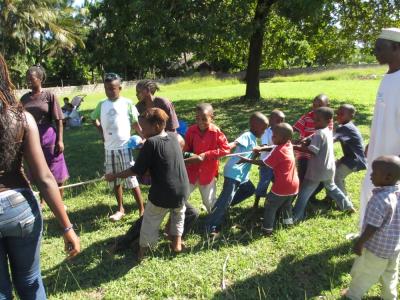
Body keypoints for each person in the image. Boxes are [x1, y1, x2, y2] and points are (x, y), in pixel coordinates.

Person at [0, 53, 80, 299]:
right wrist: (67, 227)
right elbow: (44, 177)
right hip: (19, 208)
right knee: (30, 280)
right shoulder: (21, 117)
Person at [105, 108, 189, 260]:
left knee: (150, 222)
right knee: (178, 215)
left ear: (156, 126)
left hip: (162, 193)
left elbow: (136, 170)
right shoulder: (174, 136)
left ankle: (143, 253)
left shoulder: (151, 143)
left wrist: (114, 175)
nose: (140, 130)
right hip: (182, 190)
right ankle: (176, 245)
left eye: (143, 127)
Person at [343, 155, 400, 300]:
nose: (370, 175)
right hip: (394, 247)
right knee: (390, 274)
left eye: (374, 172)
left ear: (387, 177)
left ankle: (352, 295)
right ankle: (389, 296)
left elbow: (372, 227)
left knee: (366, 274)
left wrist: (360, 242)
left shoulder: (379, 199)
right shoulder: (397, 192)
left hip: (377, 249)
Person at [360, 28, 400, 229]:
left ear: (395, 47)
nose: (374, 52)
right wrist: (372, 142)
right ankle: (365, 234)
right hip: (378, 150)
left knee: (388, 201)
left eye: (379, 48)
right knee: (369, 190)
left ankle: (377, 243)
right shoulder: (388, 77)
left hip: (393, 160)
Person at [91, 72, 144, 221]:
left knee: (131, 178)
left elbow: (135, 123)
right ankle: (120, 208)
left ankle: (142, 209)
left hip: (124, 147)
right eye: (107, 88)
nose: (110, 91)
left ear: (119, 88)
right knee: (114, 179)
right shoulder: (102, 104)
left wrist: (143, 137)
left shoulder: (127, 103)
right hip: (109, 148)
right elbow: (93, 119)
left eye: (113, 88)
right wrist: (102, 134)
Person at [206, 112, 269, 237]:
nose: (264, 131)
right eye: (263, 128)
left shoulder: (253, 139)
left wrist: (259, 149)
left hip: (242, 175)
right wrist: (222, 150)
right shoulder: (247, 135)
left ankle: (224, 206)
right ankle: (211, 226)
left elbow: (250, 153)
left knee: (249, 189)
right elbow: (234, 144)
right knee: (225, 199)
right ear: (255, 126)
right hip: (234, 173)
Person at [293, 107, 356, 221]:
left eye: (318, 120)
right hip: (329, 169)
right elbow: (312, 137)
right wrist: (306, 139)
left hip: (316, 171)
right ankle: (348, 206)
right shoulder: (327, 131)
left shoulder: (318, 134)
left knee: (303, 194)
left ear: (328, 121)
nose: (314, 123)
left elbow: (312, 150)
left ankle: (296, 216)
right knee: (332, 188)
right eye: (314, 120)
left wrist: (296, 147)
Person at [21, 65, 69, 207]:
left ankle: (59, 201)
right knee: (39, 169)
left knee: (56, 168)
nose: (29, 81)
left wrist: (60, 140)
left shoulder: (49, 96)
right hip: (31, 138)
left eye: (32, 78)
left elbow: (59, 119)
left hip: (49, 137)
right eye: (27, 79)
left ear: (40, 79)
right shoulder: (24, 98)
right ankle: (43, 201)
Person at [238, 123, 299, 235]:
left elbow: (264, 163)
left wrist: (246, 160)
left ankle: (267, 229)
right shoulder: (288, 144)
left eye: (275, 136)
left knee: (270, 205)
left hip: (282, 185)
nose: (272, 137)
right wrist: (262, 148)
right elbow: (273, 146)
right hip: (294, 185)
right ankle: (287, 223)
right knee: (286, 205)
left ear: (284, 138)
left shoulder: (279, 151)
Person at [183, 103, 230, 212]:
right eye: (197, 118)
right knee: (181, 195)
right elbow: (185, 149)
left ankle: (214, 221)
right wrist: (190, 157)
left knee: (209, 201)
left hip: (208, 173)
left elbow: (226, 149)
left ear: (212, 118)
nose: (200, 122)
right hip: (191, 172)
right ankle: (180, 217)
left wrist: (207, 155)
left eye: (204, 119)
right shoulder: (191, 131)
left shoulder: (216, 132)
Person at [293, 94, 332, 184]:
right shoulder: (306, 117)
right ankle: (298, 191)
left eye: (320, 105)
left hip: (319, 153)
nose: (316, 108)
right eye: (314, 105)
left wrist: (309, 139)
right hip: (304, 152)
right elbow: (294, 129)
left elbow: (327, 134)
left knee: (324, 177)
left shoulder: (328, 119)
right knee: (302, 174)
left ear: (328, 106)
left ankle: (310, 195)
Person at [253, 109, 285, 209]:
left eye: (282, 121)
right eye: (278, 121)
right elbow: (266, 145)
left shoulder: (282, 132)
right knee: (264, 183)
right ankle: (256, 204)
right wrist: (263, 148)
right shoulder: (266, 132)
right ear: (270, 121)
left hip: (278, 164)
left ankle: (274, 200)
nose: (280, 123)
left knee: (279, 182)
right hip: (266, 164)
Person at [333, 104, 367, 197]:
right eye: (337, 113)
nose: (338, 116)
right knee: (332, 172)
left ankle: (345, 203)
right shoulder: (347, 126)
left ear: (351, 116)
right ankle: (332, 198)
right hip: (350, 158)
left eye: (341, 114)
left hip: (355, 160)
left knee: (337, 176)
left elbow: (329, 139)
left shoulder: (346, 128)